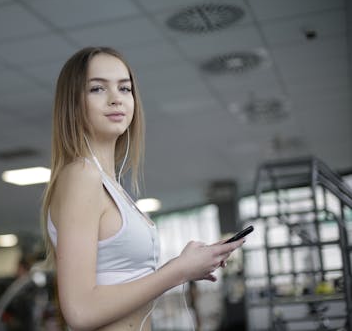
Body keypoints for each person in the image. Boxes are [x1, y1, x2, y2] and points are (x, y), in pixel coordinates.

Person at [41, 47, 245, 331]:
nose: (116, 99)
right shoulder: (82, 175)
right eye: (98, 88)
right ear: (73, 103)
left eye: (125, 88)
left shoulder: (109, 184)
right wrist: (179, 270)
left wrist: (190, 265)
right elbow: (80, 311)